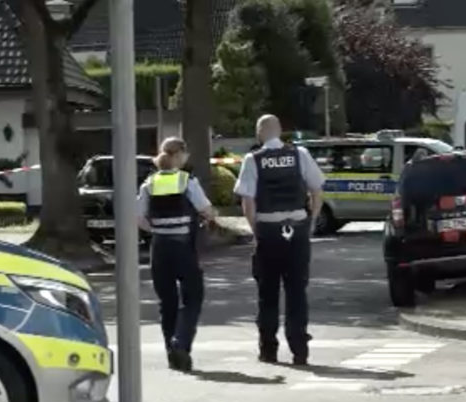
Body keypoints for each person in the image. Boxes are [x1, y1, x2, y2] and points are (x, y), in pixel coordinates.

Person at [234, 115, 326, 366]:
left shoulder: (253, 160)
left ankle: (268, 350)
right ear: (280, 131)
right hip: (296, 228)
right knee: (297, 291)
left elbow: (248, 201)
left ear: (260, 133)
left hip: (269, 229)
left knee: (268, 293)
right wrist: (311, 221)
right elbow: (317, 190)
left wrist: (257, 230)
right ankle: (299, 350)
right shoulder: (300, 155)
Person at [137, 137, 216, 372]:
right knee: (193, 298)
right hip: (183, 247)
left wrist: (157, 230)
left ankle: (173, 357)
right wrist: (211, 216)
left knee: (167, 303)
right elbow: (205, 209)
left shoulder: (148, 183)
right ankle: (180, 343)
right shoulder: (186, 181)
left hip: (159, 247)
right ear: (179, 155)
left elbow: (137, 217)